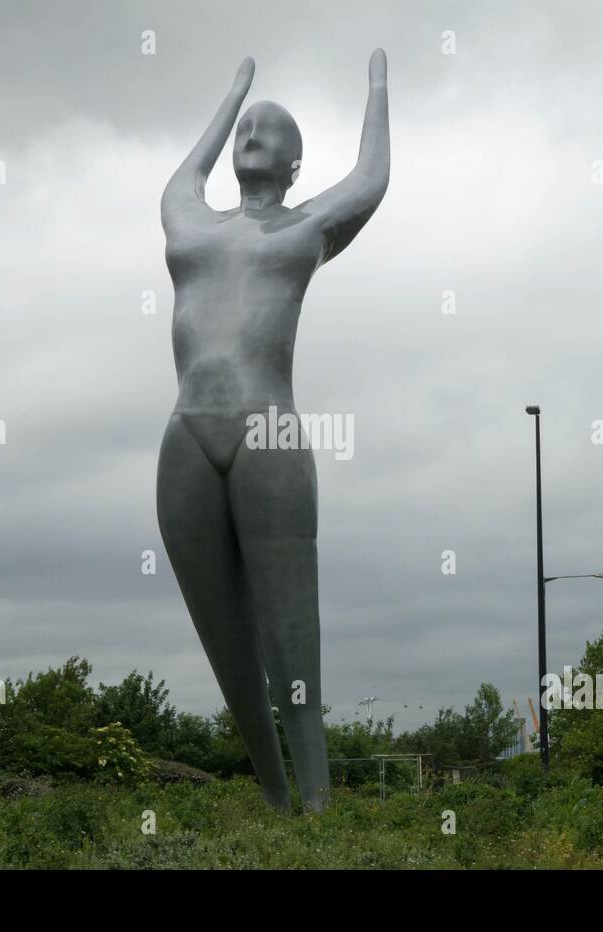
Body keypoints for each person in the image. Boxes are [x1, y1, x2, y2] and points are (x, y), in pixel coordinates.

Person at [156, 51, 390, 812]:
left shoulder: (308, 227)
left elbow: (370, 179)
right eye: (246, 128)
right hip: (186, 434)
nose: (254, 132)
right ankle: (275, 805)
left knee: (292, 640)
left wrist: (377, 91)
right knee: (227, 648)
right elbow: (182, 178)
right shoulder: (193, 222)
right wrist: (231, 96)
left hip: (269, 435)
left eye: (270, 129)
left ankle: (318, 815)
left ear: (295, 164)